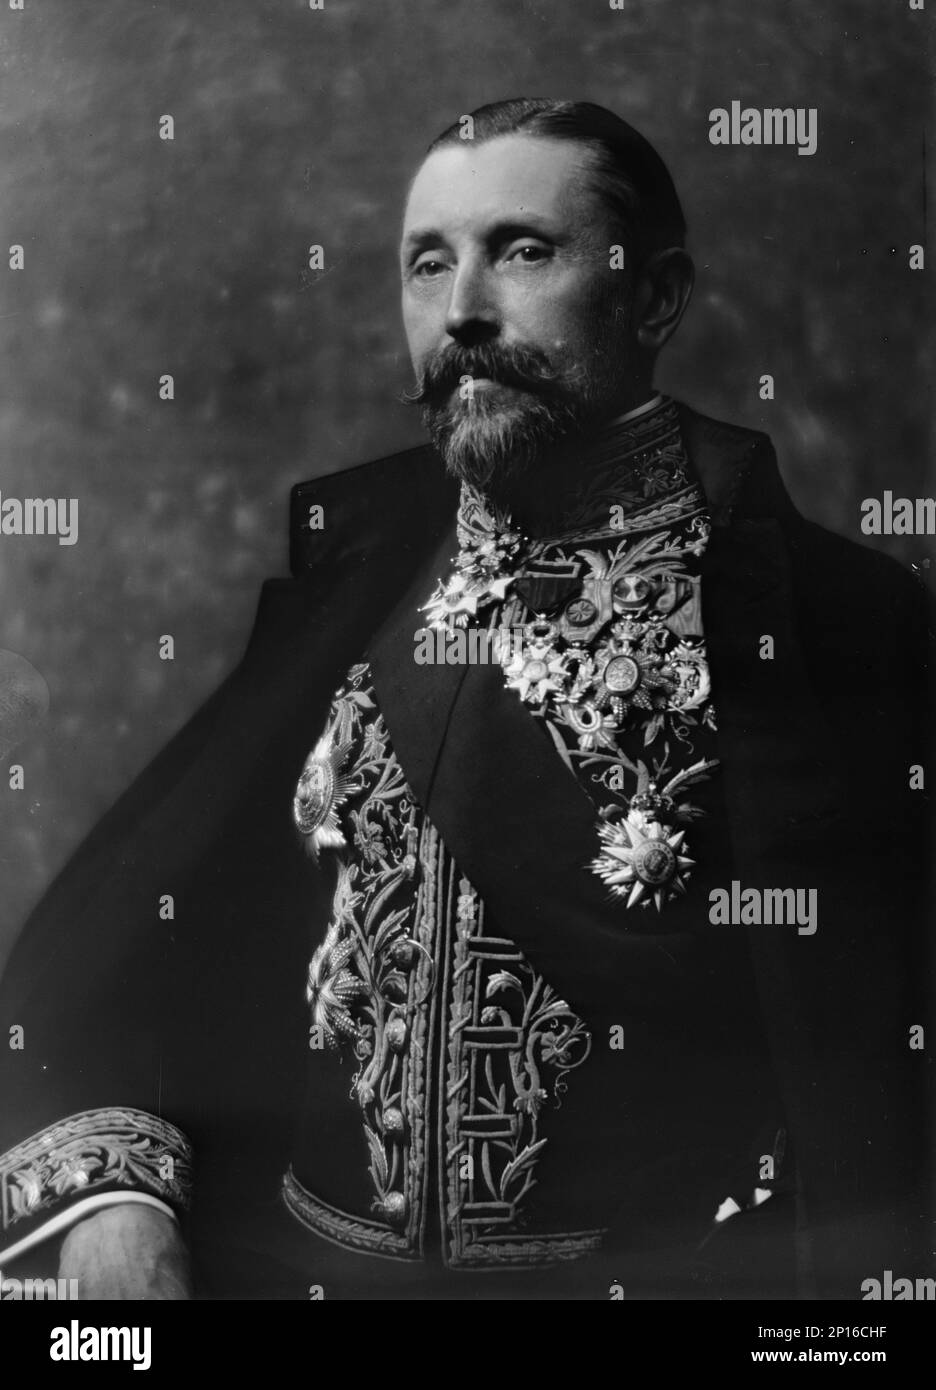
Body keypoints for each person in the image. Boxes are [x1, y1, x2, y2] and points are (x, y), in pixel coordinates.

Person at [0, 98, 930, 1301]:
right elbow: (153, 945)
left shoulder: (834, 628)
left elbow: (872, 1082)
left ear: (654, 298)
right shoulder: (355, 576)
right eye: (428, 262)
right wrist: (117, 1201)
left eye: (523, 250)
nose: (462, 312)